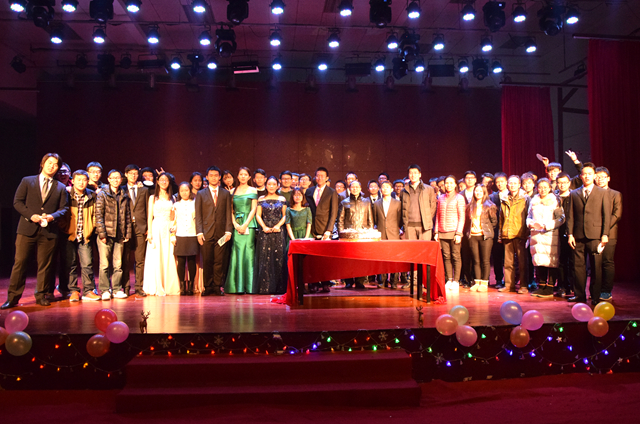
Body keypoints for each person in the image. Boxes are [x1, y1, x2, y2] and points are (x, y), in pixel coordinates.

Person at [2, 153, 69, 309]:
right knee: (20, 263)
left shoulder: (60, 187)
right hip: (27, 229)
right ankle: (12, 298)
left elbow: (64, 208)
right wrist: (30, 215)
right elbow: (17, 202)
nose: (52, 166)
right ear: (43, 163)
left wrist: (52, 217)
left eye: (55, 165)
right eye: (49, 163)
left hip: (49, 231)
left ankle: (41, 295)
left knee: (45, 265)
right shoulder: (27, 181)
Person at [566, 163, 611, 305]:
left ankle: (595, 296)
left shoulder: (602, 193)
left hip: (595, 235)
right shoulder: (574, 193)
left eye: (589, 174)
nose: (587, 176)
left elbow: (606, 215)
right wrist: (570, 234)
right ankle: (579, 294)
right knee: (578, 267)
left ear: (594, 176)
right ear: (580, 176)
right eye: (584, 174)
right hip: (578, 236)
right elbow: (570, 216)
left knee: (596, 267)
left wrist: (605, 234)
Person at [195, 166, 233, 296]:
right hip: (206, 233)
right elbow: (198, 215)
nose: (213, 178)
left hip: (221, 233)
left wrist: (228, 231)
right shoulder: (201, 194)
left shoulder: (225, 194)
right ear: (206, 177)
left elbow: (228, 213)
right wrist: (199, 232)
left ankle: (217, 286)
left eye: (216, 175)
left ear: (220, 177)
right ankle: (208, 286)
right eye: (211, 175)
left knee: (219, 260)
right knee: (207, 260)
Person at [64, 170, 100, 302]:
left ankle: (88, 290)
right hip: (69, 235)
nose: (81, 182)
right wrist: (65, 228)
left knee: (87, 264)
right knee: (71, 264)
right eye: (78, 180)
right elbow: (62, 213)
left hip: (85, 235)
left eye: (84, 180)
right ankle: (73, 290)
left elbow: (96, 214)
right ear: (73, 181)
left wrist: (91, 228)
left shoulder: (91, 195)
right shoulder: (67, 195)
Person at [95, 169, 132, 300]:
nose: (116, 180)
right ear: (108, 179)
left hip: (119, 234)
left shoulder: (124, 194)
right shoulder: (102, 194)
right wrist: (102, 234)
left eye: (118, 178)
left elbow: (127, 215)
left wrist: (127, 233)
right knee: (104, 264)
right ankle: (105, 290)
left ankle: (116, 289)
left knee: (118, 264)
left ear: (121, 180)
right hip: (106, 234)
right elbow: (98, 215)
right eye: (113, 178)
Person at [527, 178, 565, 298]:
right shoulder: (534, 200)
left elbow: (561, 218)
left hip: (550, 235)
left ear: (549, 188)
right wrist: (530, 223)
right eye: (540, 187)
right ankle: (541, 286)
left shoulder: (555, 201)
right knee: (539, 260)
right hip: (536, 235)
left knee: (551, 261)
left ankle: (550, 287)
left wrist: (546, 226)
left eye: (545, 187)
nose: (542, 189)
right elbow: (529, 216)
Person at [305, 167, 339, 293]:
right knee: (312, 258)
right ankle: (313, 283)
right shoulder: (309, 191)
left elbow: (333, 213)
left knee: (325, 258)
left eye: (322, 176)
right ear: (315, 177)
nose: (320, 178)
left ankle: (325, 283)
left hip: (325, 228)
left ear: (327, 178)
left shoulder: (331, 192)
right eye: (317, 175)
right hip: (311, 228)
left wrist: (329, 230)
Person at [226, 167, 258, 294]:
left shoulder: (253, 190)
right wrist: (234, 224)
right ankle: (237, 286)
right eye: (241, 174)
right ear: (237, 176)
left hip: (248, 224)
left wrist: (245, 224)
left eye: (245, 174)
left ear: (249, 177)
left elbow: (253, 209)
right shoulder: (232, 191)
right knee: (237, 252)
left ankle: (249, 286)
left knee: (249, 252)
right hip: (236, 224)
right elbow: (231, 210)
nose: (243, 176)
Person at [498, 175, 531, 294]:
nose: (512, 185)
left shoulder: (525, 198)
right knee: (508, 263)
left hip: (520, 234)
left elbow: (529, 216)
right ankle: (509, 285)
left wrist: (527, 233)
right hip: (507, 233)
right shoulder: (504, 198)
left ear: (519, 185)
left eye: (515, 183)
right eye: (510, 183)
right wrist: (500, 235)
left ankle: (523, 285)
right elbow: (501, 218)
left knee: (522, 262)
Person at [338, 180, 373, 289]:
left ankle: (360, 281)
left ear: (360, 188)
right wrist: (341, 234)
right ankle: (348, 281)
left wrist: (370, 232)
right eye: (353, 187)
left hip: (362, 234)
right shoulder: (344, 202)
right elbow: (340, 220)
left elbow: (370, 220)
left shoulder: (366, 202)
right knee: (348, 259)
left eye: (357, 187)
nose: (355, 189)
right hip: (348, 234)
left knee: (361, 259)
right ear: (349, 189)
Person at [255, 176, 288, 294]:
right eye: (269, 184)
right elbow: (258, 215)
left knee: (278, 257)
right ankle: (264, 287)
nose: (271, 186)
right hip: (265, 230)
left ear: (278, 186)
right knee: (264, 257)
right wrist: (264, 226)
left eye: (274, 184)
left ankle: (279, 288)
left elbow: (285, 215)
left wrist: (278, 225)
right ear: (266, 185)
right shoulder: (261, 199)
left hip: (278, 230)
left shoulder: (282, 198)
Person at [121, 164, 150, 297]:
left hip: (140, 227)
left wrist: (147, 227)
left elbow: (148, 209)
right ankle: (126, 287)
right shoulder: (121, 189)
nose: (133, 176)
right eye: (131, 173)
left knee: (140, 259)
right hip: (126, 227)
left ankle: (139, 287)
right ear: (126, 174)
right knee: (125, 259)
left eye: (135, 173)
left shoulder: (144, 190)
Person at [595, 167, 622, 301]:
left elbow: (617, 214)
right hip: (594, 232)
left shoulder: (615, 194)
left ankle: (606, 290)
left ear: (608, 179)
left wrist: (604, 229)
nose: (600, 179)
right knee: (595, 264)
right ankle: (596, 289)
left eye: (603, 177)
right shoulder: (593, 193)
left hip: (610, 233)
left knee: (607, 262)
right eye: (598, 177)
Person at [434, 176, 465, 291]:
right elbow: (437, 216)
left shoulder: (459, 198)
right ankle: (449, 279)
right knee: (446, 257)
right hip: (442, 232)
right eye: (447, 183)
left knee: (456, 256)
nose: (449, 185)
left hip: (454, 231)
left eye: (451, 183)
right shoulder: (441, 198)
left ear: (455, 184)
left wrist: (459, 233)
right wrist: (436, 231)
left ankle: (456, 281)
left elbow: (462, 217)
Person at [466, 184, 497, 293]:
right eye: (476, 191)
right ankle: (477, 282)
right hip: (473, 236)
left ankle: (484, 283)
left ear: (484, 192)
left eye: (480, 191)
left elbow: (494, 222)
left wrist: (487, 230)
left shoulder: (490, 206)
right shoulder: (470, 206)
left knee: (485, 260)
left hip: (485, 236)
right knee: (476, 260)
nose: (478, 193)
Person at [372, 181, 402, 289]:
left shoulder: (398, 203)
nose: (385, 189)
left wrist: (397, 229)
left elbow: (400, 219)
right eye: (383, 187)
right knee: (381, 259)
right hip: (381, 234)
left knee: (394, 259)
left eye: (387, 187)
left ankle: (394, 281)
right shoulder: (376, 203)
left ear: (391, 189)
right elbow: (375, 219)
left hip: (394, 234)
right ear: (380, 190)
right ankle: (382, 281)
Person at [173, 182, 199, 296]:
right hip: (180, 234)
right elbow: (172, 221)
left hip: (192, 234)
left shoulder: (195, 203)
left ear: (190, 191)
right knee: (181, 261)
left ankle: (191, 286)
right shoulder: (176, 205)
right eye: (182, 191)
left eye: (186, 190)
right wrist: (172, 235)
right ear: (179, 192)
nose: (184, 193)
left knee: (192, 261)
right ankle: (182, 286)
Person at [555, 172, 574, 297]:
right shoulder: (553, 197)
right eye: (560, 183)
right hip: (557, 231)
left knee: (572, 260)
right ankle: (561, 286)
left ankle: (571, 286)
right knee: (560, 260)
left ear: (569, 183)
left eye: (565, 182)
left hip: (572, 232)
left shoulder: (574, 196)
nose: (562, 185)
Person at [489, 172, 508, 289]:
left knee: (509, 259)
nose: (500, 184)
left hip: (509, 230)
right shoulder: (492, 197)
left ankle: (510, 280)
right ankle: (499, 279)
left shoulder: (512, 195)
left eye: (502, 181)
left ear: (506, 182)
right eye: (497, 182)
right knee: (497, 257)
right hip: (496, 231)